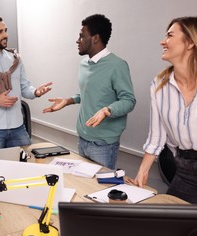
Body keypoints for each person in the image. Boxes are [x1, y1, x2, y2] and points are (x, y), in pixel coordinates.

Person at [132, 16, 197, 204]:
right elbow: (156, 137)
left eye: (169, 35)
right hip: (186, 169)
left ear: (191, 42)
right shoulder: (160, 84)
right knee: (172, 225)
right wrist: (142, 173)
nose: (163, 41)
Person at [43, 14, 136, 170]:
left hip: (103, 145)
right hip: (82, 139)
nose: (77, 40)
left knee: (99, 190)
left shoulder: (117, 65)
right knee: (83, 188)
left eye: (81, 36)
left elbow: (129, 100)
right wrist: (68, 101)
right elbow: (89, 93)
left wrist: (107, 110)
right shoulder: (84, 64)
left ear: (95, 38)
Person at [0, 16, 53, 150]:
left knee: (25, 166)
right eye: (0, 32)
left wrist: (35, 92)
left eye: (5, 30)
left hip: (18, 127)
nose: (5, 35)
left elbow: (24, 87)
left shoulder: (15, 60)